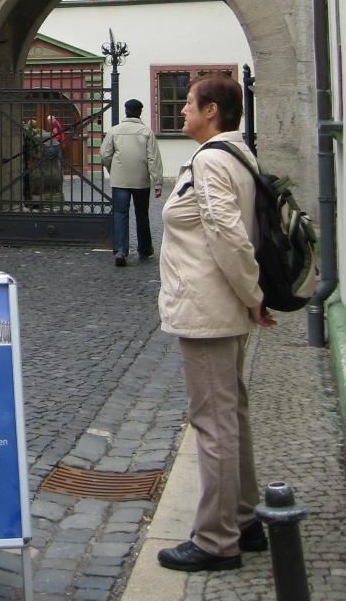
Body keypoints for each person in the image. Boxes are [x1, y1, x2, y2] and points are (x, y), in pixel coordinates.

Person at [156, 73, 274, 573]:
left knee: (213, 422)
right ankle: (244, 520)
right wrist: (249, 298)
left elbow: (229, 235)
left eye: (189, 103)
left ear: (212, 112)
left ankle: (215, 540)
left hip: (208, 311)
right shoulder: (238, 155)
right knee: (232, 414)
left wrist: (253, 297)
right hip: (222, 308)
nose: (182, 110)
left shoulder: (210, 161)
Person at [100, 98, 163, 267]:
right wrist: (157, 182)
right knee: (142, 214)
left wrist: (113, 170)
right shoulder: (146, 132)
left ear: (126, 111)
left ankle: (120, 251)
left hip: (120, 179)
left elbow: (105, 155)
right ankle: (145, 248)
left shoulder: (114, 131)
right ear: (140, 112)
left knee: (120, 214)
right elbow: (153, 158)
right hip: (141, 180)